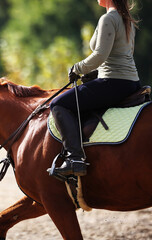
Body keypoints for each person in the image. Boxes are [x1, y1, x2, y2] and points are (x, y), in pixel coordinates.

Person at [49, 0, 141, 177]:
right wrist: (96, 73)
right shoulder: (127, 19)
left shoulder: (108, 18)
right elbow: (121, 55)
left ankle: (74, 158)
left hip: (113, 82)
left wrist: (78, 68)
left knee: (58, 104)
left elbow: (100, 54)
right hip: (131, 82)